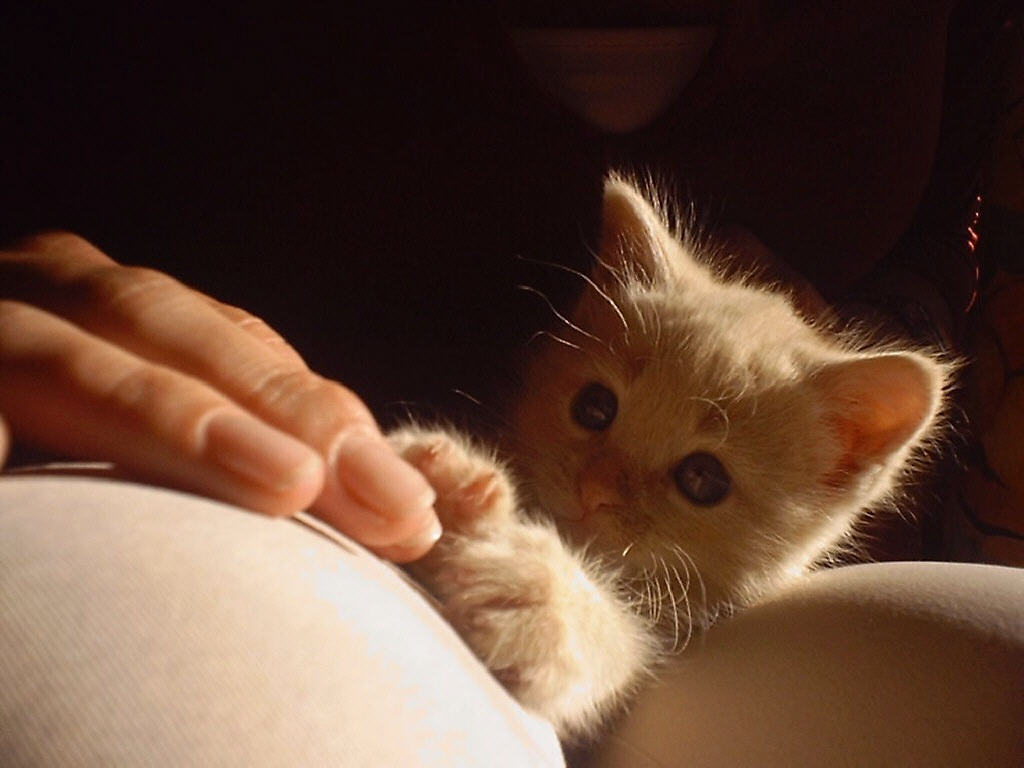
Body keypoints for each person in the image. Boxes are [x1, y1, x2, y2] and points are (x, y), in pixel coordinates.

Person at [2, 2, 1021, 765]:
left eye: (696, 479)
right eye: (596, 412)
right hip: (207, 490)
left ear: (847, 467)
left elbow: (939, 228)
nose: (599, 491)